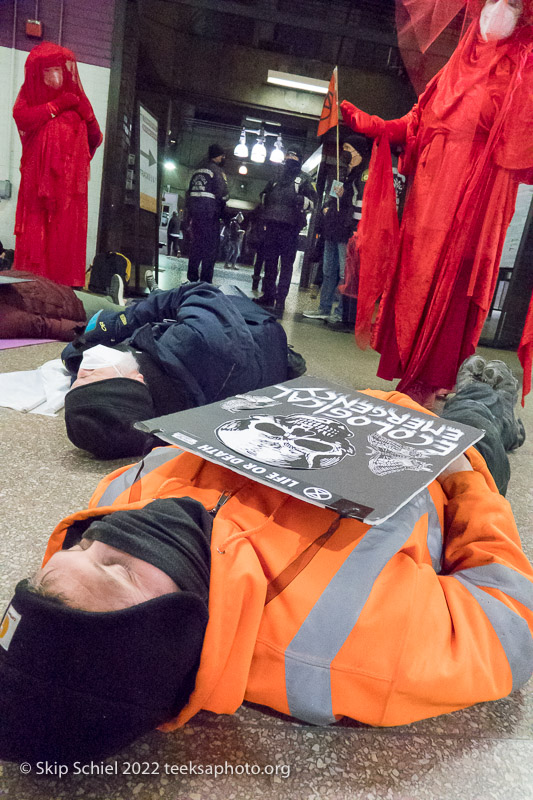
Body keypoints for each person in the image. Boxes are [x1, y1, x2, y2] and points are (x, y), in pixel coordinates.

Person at [1, 379, 532, 764]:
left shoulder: (118, 509)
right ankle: (489, 407)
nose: (89, 543)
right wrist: (467, 477)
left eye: (52, 569)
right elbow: (511, 615)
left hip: (341, 406)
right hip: (433, 462)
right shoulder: (344, 647)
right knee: (479, 416)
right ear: (168, 636)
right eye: (114, 570)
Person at [341, 0, 533, 406]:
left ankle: (436, 378)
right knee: (414, 280)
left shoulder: (521, 75)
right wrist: (375, 125)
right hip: (427, 204)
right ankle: (411, 372)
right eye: (491, 1)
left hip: (470, 208)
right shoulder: (453, 70)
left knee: (452, 286)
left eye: (512, 4)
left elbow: (522, 141)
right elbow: (415, 122)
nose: (496, 11)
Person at [62, 282, 293, 458]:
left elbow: (101, 405)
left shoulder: (155, 410)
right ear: (136, 379)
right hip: (248, 320)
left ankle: (147, 297)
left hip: (224, 345)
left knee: (76, 349)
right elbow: (199, 290)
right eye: (88, 375)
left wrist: (77, 352)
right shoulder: (199, 343)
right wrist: (122, 321)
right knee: (122, 317)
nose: (86, 368)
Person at [12, 43, 103, 287]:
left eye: (58, 69)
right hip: (37, 187)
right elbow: (21, 117)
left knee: (63, 239)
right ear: (39, 74)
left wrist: (89, 116)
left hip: (68, 190)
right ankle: (33, 289)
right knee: (37, 240)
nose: (54, 76)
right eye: (47, 71)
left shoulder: (77, 96)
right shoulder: (30, 95)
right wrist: (56, 106)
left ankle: (63, 293)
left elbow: (96, 138)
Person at [303, 134, 370, 329]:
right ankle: (323, 308)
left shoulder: (362, 175)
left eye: (349, 149)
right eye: (344, 149)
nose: (345, 153)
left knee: (344, 272)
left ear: (358, 152)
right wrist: (327, 206)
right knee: (328, 270)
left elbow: (359, 203)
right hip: (331, 227)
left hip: (346, 230)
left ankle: (340, 312)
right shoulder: (341, 173)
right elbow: (332, 196)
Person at [255, 149, 317, 318]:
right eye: (288, 155)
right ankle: (268, 295)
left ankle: (280, 299)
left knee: (286, 266)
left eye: (294, 156)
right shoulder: (276, 177)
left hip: (291, 228)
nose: (290, 158)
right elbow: (263, 195)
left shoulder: (304, 179)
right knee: (270, 263)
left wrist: (298, 201)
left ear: (299, 159)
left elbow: (313, 202)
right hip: (272, 225)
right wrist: (266, 202)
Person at [0, 268, 125, 341]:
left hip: (50, 293)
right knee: (123, 313)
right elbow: (49, 326)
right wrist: (94, 330)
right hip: (71, 307)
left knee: (107, 305)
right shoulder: (6, 319)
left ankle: (111, 299)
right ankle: (125, 305)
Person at [185, 144, 229, 283]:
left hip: (196, 215)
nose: (224, 158)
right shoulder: (217, 171)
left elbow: (189, 193)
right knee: (210, 250)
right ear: (218, 156)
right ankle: (205, 281)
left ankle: (192, 278)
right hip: (210, 216)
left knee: (196, 246)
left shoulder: (197, 171)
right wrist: (223, 210)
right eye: (223, 156)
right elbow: (223, 194)